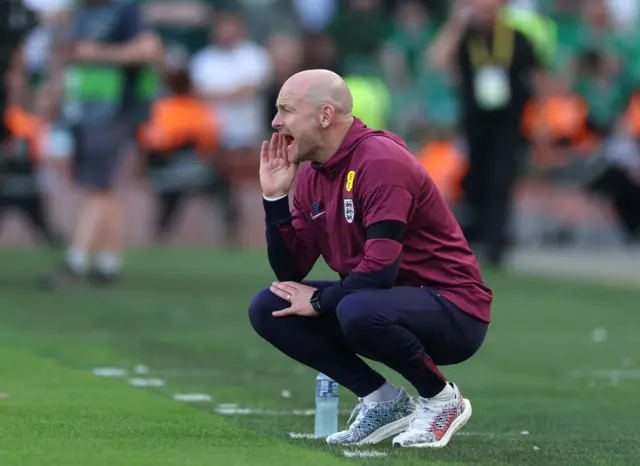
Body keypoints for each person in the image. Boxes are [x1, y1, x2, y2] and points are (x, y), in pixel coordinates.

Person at [248, 69, 492, 448]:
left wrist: (318, 301)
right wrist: (275, 200)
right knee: (270, 305)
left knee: (355, 308)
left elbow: (380, 270)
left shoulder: (380, 161)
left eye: (286, 110)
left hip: (454, 308)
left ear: (325, 116)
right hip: (380, 300)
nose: (275, 122)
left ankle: (442, 400)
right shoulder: (313, 175)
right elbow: (291, 270)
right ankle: (383, 401)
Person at [41, 0, 162, 286]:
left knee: (96, 184)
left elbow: (150, 50)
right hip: (84, 109)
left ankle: (76, 259)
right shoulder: (80, 12)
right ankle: (109, 263)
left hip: (114, 109)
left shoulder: (124, 10)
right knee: (101, 186)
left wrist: (99, 53)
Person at [428, 0, 544, 267]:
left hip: (508, 125)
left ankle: (496, 243)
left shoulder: (516, 38)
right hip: (475, 125)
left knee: (501, 179)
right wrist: (456, 23)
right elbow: (436, 59)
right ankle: (475, 237)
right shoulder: (466, 37)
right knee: (475, 180)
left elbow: (537, 75)